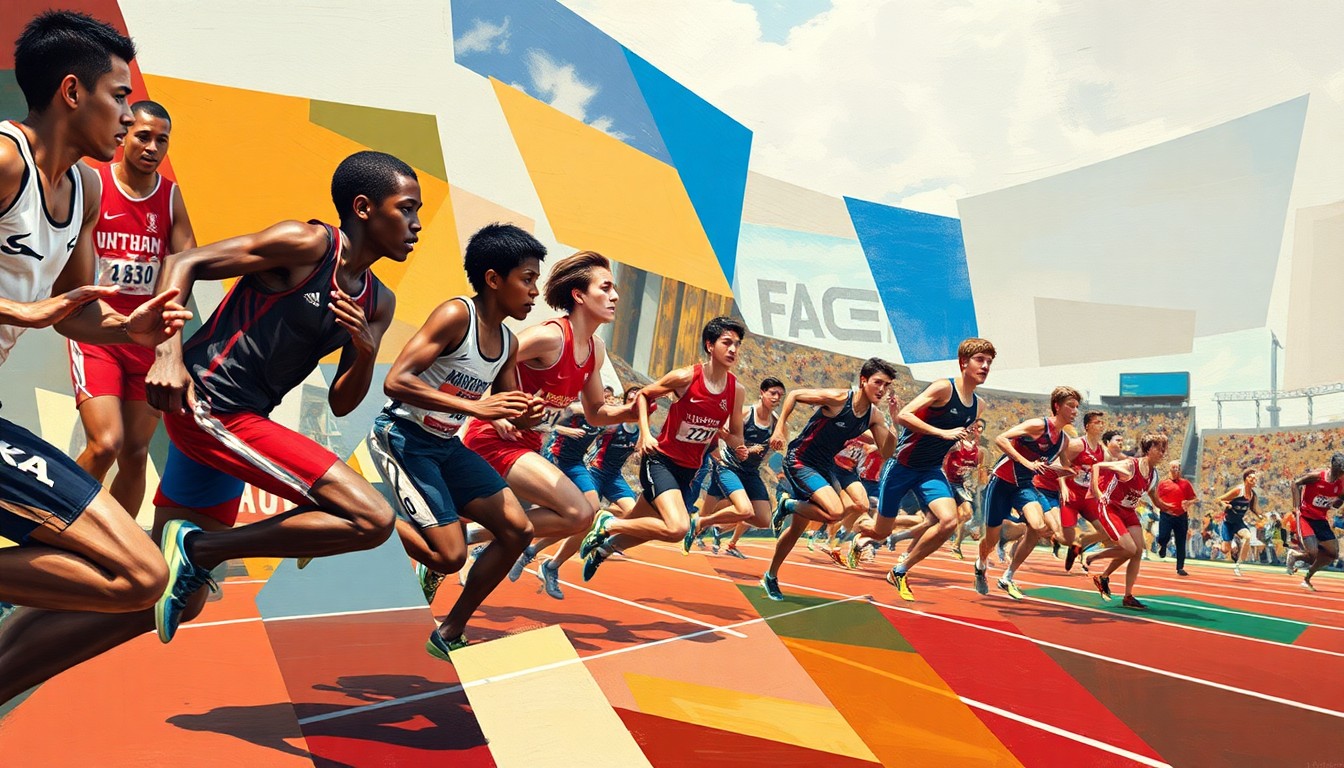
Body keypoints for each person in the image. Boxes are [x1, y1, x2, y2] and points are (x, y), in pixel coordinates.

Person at [0, 11, 192, 708]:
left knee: (142, 577)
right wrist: (16, 311)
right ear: (73, 92)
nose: (127, 113)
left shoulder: (82, 190)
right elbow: (36, 308)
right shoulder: (5, 160)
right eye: (119, 95)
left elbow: (76, 310)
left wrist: (136, 330)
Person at [368, 224, 544, 656]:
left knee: (518, 530)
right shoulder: (455, 316)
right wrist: (476, 409)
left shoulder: (507, 341)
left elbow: (506, 400)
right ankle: (353, 510)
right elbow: (396, 380)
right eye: (527, 279)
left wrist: (527, 412)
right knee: (448, 557)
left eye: (536, 280)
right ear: (492, 278)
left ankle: (449, 632)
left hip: (446, 446)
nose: (535, 291)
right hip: (403, 437)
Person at [462, 251, 635, 585]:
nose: (615, 296)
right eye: (606, 288)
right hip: (493, 438)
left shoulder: (595, 350)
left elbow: (597, 412)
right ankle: (469, 538)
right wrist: (494, 404)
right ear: (579, 295)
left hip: (528, 443)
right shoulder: (551, 337)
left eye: (615, 289)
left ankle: (468, 537)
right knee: (579, 511)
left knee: (580, 516)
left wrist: (630, 411)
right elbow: (495, 355)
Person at [67, 100, 195, 518]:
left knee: (137, 453)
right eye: (144, 136)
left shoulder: (171, 197)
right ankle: (58, 529)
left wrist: (166, 344)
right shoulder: (93, 184)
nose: (153, 147)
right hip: (99, 333)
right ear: (124, 136)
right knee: (106, 444)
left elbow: (185, 264)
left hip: (147, 340)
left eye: (163, 140)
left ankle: (114, 551)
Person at [579, 317, 749, 579]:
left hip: (688, 470)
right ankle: (608, 522)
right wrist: (646, 434)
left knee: (644, 528)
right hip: (662, 460)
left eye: (737, 345)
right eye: (727, 343)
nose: (733, 350)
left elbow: (736, 435)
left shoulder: (736, 390)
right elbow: (645, 395)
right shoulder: (685, 377)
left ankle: (603, 550)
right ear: (709, 345)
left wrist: (737, 445)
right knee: (677, 528)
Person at [850, 339, 995, 599]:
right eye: (980, 360)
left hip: (929, 471)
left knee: (949, 521)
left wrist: (952, 445)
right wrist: (942, 432)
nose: (985, 366)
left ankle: (901, 569)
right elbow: (905, 415)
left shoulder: (978, 405)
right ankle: (861, 526)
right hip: (902, 466)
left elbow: (949, 439)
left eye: (989, 362)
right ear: (964, 363)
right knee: (880, 531)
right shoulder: (943, 387)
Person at [758, 358, 900, 600]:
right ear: (863, 381)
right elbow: (794, 395)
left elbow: (886, 452)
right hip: (800, 459)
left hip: (823, 467)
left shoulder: (874, 416)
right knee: (835, 512)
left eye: (886, 386)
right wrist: (780, 427)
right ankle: (787, 504)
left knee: (796, 529)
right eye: (878, 383)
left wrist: (895, 422)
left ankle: (770, 576)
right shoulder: (839, 399)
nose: (882, 390)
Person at [976, 386, 1079, 599]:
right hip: (1001, 482)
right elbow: (1001, 439)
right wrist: (1027, 462)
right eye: (1071, 406)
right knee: (991, 540)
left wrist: (1072, 472)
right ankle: (980, 564)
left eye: (1077, 407)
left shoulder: (1063, 441)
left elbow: (1063, 468)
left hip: (1023, 486)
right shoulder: (1037, 425)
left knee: (1038, 526)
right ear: (1057, 406)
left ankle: (1007, 577)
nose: (1075, 411)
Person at [688, 377, 784, 557]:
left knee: (763, 519)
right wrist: (741, 449)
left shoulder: (776, 422)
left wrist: (774, 447)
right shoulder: (746, 413)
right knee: (732, 509)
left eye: (780, 395)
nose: (777, 398)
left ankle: (707, 523)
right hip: (728, 468)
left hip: (750, 473)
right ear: (762, 393)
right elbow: (721, 431)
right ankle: (700, 526)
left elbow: (768, 451)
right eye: (773, 393)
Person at [1085, 433, 1168, 609]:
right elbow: (1097, 466)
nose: (1162, 454)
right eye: (1159, 450)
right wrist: (1097, 492)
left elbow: (1156, 500)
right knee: (1129, 548)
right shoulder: (1129, 465)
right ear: (1149, 449)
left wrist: (1173, 508)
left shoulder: (1154, 475)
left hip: (1128, 511)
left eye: (1164, 450)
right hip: (1111, 508)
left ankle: (1126, 594)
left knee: (1137, 552)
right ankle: (1092, 557)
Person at [1287, 453, 1344, 591]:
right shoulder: (1317, 476)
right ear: (1333, 467)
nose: (1341, 474)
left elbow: (1339, 500)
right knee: (1312, 553)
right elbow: (1295, 483)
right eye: (1340, 471)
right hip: (1305, 517)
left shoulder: (1342, 482)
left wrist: (1336, 502)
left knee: (1333, 554)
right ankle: (1294, 555)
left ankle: (1307, 578)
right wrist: (1296, 507)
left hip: (1320, 519)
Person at [946, 419, 986, 560]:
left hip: (961, 485)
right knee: (940, 518)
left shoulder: (979, 451)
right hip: (946, 482)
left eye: (980, 428)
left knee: (967, 514)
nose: (975, 429)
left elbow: (977, 470)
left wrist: (977, 485)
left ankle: (956, 545)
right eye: (974, 426)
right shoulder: (955, 444)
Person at [1153, 460, 1197, 575]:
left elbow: (1195, 498)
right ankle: (1162, 545)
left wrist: (1189, 502)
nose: (1175, 470)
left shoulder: (1185, 484)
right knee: (1163, 536)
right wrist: (1161, 507)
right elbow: (1156, 498)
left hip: (1181, 516)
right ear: (1169, 469)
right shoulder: (1163, 484)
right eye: (1173, 468)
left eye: (1177, 468)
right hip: (1166, 514)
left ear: (1179, 470)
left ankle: (1180, 567)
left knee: (1181, 541)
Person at [1216, 469, 1259, 576]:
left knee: (1248, 537)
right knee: (1226, 550)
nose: (1254, 479)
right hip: (1228, 522)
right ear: (1245, 479)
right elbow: (1218, 499)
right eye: (1251, 477)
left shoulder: (1253, 495)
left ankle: (1239, 565)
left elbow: (1253, 508)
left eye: (1255, 478)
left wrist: (1259, 515)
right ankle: (1218, 544)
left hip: (1238, 522)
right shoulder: (1238, 491)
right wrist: (1225, 505)